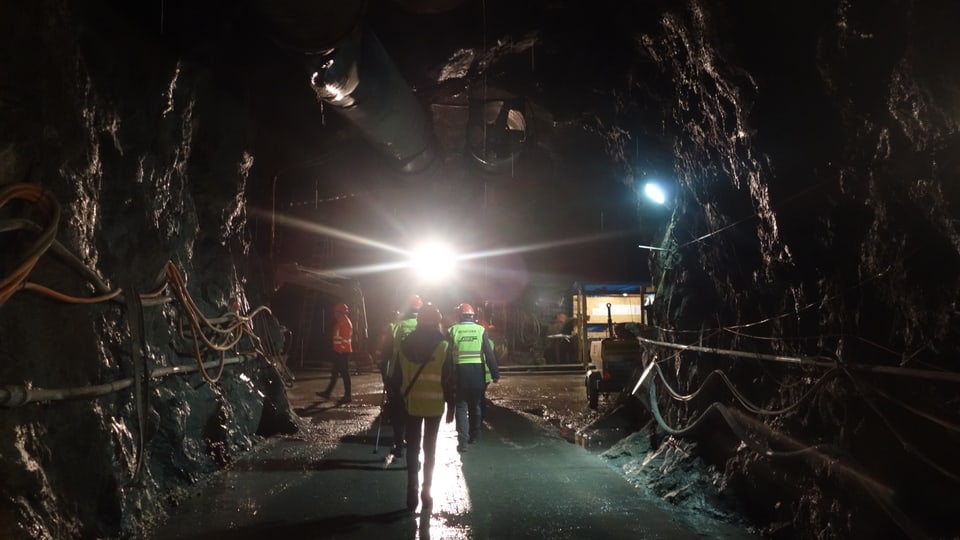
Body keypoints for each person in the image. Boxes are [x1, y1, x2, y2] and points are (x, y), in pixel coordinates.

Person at [398, 303, 454, 513]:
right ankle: (426, 491)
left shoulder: (405, 344)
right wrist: (452, 406)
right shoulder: (443, 345)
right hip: (434, 404)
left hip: (410, 403)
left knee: (412, 447)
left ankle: (411, 489)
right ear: (436, 321)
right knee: (430, 449)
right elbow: (449, 380)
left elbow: (396, 377)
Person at [447, 303, 498, 453]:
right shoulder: (480, 330)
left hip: (460, 374)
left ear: (459, 315)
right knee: (475, 405)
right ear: (473, 316)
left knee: (461, 407)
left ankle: (463, 442)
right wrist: (495, 374)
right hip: (477, 375)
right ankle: (475, 435)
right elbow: (489, 354)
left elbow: (446, 356)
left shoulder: (453, 330)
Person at [384, 295, 422, 459]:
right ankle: (414, 448)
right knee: (415, 413)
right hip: (419, 374)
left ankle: (399, 446)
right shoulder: (425, 328)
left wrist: (386, 375)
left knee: (398, 411)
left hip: (398, 374)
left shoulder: (397, 327)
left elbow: (386, 353)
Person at [320, 302, 353, 404]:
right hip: (340, 352)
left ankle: (347, 396)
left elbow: (345, 339)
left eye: (336, 312)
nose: (334, 314)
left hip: (343, 352)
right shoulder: (341, 321)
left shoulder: (345, 323)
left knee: (344, 373)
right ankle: (328, 392)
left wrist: (340, 350)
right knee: (335, 372)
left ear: (340, 312)